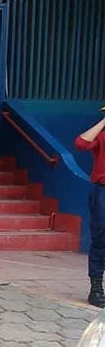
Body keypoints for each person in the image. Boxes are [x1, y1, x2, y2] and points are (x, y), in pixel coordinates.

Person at [74, 107, 105, 308]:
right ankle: (96, 288)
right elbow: (81, 144)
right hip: (103, 190)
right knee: (101, 239)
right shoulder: (102, 137)